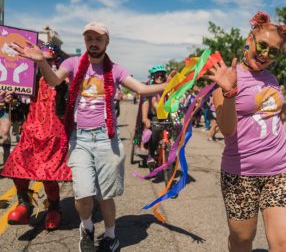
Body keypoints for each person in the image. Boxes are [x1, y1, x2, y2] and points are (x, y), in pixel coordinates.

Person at [10, 22, 172, 252]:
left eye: (98, 39)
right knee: (83, 194)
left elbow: (141, 90)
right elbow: (54, 81)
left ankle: (111, 235)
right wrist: (41, 61)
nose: (93, 43)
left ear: (107, 42)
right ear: (85, 41)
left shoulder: (115, 69)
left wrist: (171, 84)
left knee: (105, 196)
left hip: (107, 140)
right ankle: (86, 228)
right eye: (89, 39)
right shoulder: (73, 63)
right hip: (81, 140)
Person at [207, 11, 286, 252]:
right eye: (262, 45)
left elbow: (277, 114)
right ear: (250, 39)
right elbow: (227, 129)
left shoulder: (271, 79)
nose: (265, 54)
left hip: (281, 170)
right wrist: (230, 92)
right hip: (240, 174)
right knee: (242, 240)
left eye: (272, 51)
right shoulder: (227, 77)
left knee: (285, 246)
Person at [1, 42, 70, 231]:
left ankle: (55, 208)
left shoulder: (62, 82)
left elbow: (66, 107)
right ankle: (24, 203)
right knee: (17, 167)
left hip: (53, 136)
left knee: (47, 175)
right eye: (40, 59)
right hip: (30, 133)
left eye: (48, 60)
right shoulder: (28, 80)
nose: (43, 63)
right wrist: (12, 99)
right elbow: (21, 107)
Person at [140, 65, 168, 165]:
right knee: (155, 130)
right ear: (153, 76)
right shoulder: (150, 89)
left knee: (178, 127)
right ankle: (151, 155)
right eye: (157, 75)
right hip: (154, 117)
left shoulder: (168, 88)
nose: (160, 77)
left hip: (167, 116)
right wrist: (144, 118)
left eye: (162, 75)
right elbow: (146, 103)